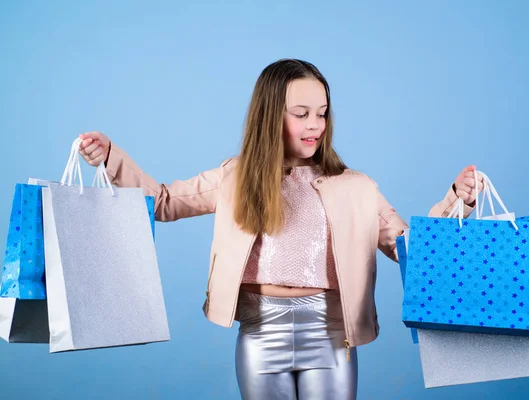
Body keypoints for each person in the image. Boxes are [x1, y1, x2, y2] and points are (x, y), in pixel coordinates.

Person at [78, 58, 482, 400]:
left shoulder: (356, 187)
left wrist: (457, 201)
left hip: (330, 335)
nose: (315, 124)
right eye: (301, 113)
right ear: (271, 114)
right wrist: (111, 158)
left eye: (322, 113)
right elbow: (163, 202)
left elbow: (412, 248)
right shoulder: (235, 177)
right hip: (259, 333)